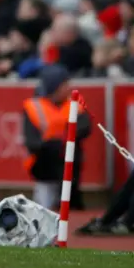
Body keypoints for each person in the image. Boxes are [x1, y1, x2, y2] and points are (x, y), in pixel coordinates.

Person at [21, 64, 91, 210]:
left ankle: (72, 199)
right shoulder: (34, 106)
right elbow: (32, 142)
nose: (69, 88)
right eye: (64, 84)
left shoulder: (75, 103)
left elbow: (85, 127)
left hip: (69, 155)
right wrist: (55, 143)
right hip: (43, 161)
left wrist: (66, 138)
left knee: (71, 151)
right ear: (54, 86)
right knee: (54, 149)